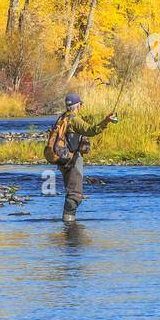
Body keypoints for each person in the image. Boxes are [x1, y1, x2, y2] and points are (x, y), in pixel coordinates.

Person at [52, 92, 118, 223]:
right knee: (75, 195)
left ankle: (68, 224)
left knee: (71, 191)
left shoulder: (61, 118)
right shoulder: (74, 120)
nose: (82, 106)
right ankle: (69, 225)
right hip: (72, 160)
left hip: (62, 159)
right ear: (78, 105)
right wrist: (106, 121)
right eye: (81, 104)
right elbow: (91, 130)